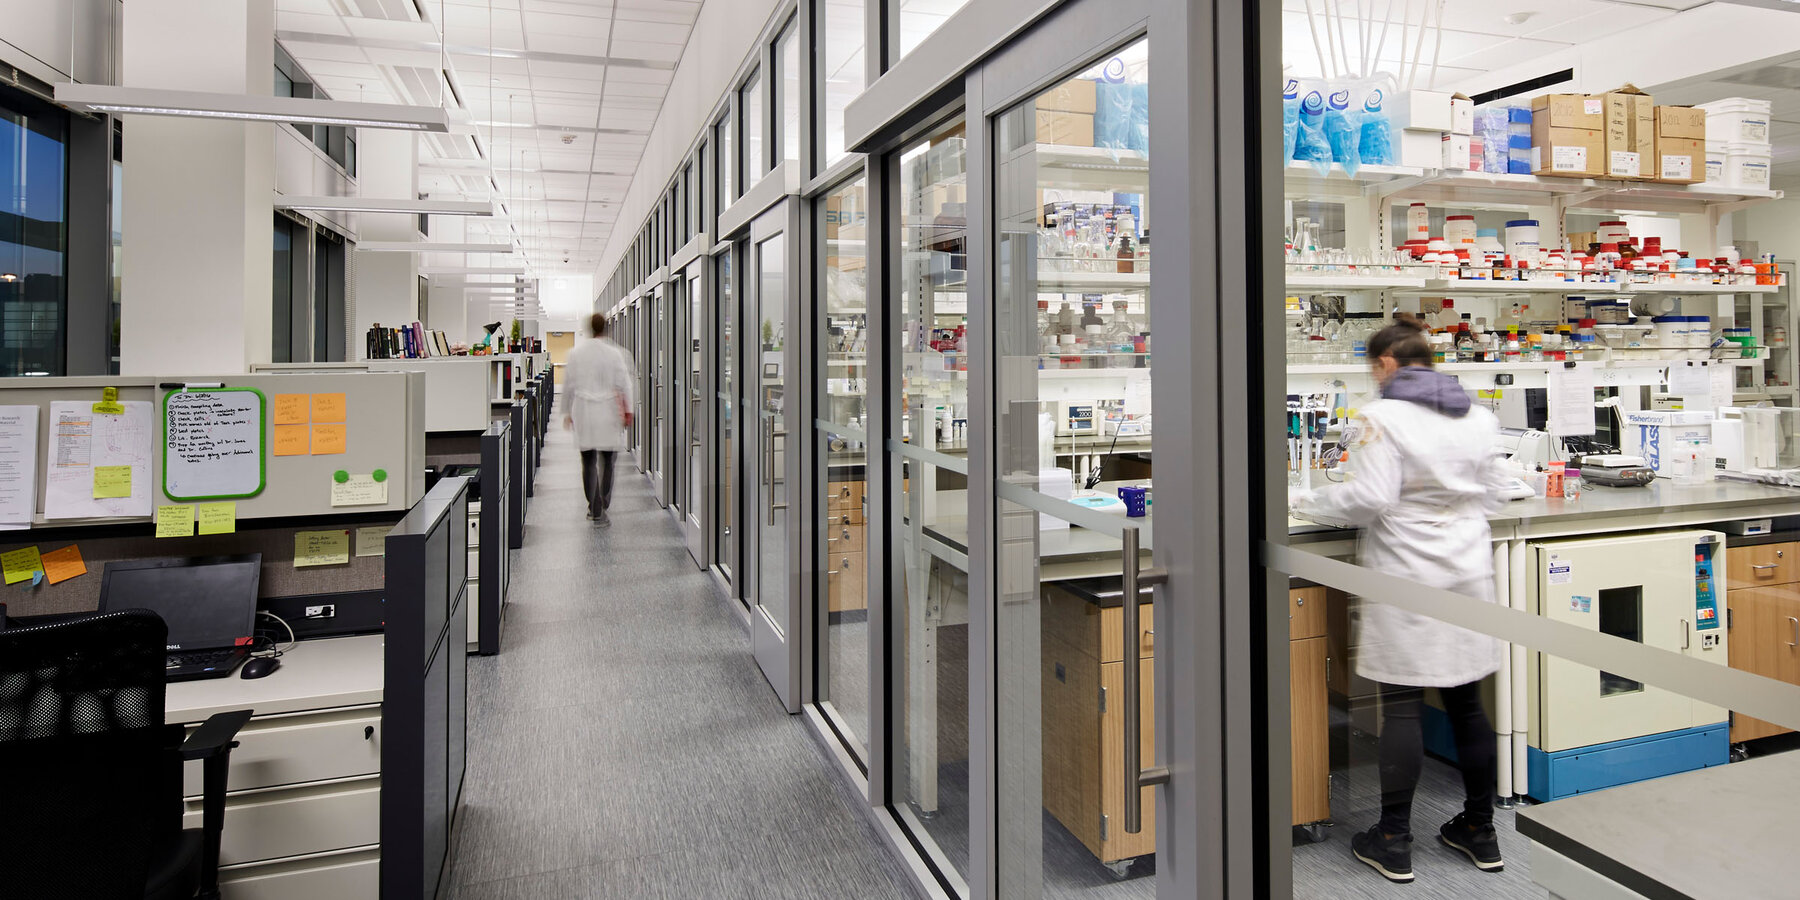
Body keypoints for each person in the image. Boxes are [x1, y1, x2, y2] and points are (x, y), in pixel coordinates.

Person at [1292, 319, 1509, 884]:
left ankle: (1392, 839)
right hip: (1467, 569)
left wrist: (1309, 501)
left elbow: (1369, 498)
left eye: (1373, 367)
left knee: (1404, 706)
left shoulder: (1381, 417)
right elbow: (1495, 492)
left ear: (1386, 363)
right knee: (1467, 703)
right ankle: (1480, 829)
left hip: (1409, 571)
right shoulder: (1478, 416)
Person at [562, 313, 636, 525]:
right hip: (607, 411)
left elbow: (568, 385)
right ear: (605, 328)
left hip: (584, 411)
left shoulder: (575, 353)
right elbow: (625, 384)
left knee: (588, 461)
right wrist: (629, 410)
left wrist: (567, 412)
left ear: (589, 329)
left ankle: (594, 507)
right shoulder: (615, 354)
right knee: (608, 459)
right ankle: (603, 500)